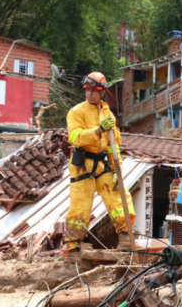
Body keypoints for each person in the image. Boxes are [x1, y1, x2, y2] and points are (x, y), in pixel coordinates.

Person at [65, 72, 135, 262]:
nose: (89, 94)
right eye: (87, 90)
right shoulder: (76, 112)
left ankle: (126, 240)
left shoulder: (107, 113)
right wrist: (98, 130)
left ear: (102, 92)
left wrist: (116, 169)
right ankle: (73, 249)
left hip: (103, 163)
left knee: (120, 198)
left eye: (94, 91)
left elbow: (114, 144)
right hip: (83, 164)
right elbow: (75, 137)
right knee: (80, 206)